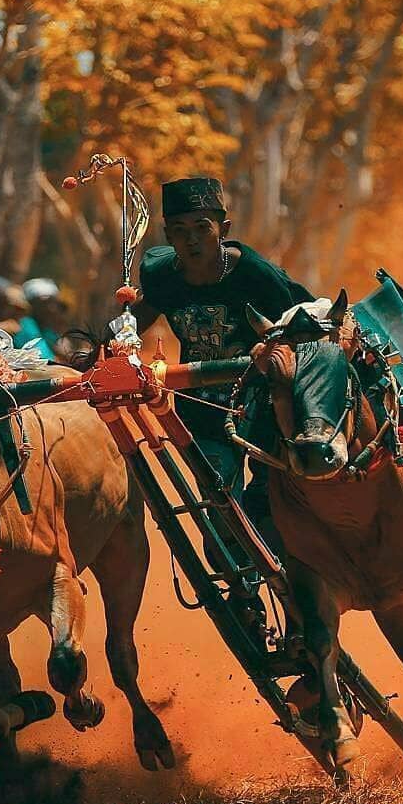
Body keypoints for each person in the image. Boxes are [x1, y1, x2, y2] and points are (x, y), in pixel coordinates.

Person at [130, 175, 313, 540]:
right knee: (221, 500)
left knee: (269, 501)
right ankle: (236, 579)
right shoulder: (162, 277)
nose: (192, 239)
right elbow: (136, 320)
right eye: (180, 231)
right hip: (201, 408)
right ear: (168, 237)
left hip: (264, 406)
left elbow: (299, 330)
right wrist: (110, 344)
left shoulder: (256, 275)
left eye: (202, 228)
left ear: (223, 229)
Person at [17, 278, 71, 360]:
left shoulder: (48, 330)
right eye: (44, 303)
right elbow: (43, 359)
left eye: (53, 302)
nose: (51, 308)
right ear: (31, 305)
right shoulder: (26, 326)